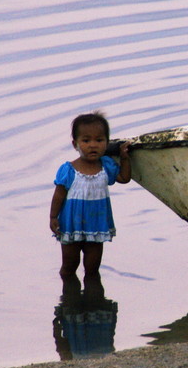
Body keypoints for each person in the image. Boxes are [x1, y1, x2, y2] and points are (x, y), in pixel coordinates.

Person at [49, 112, 131, 309]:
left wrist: (125, 158)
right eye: (86, 140)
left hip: (96, 225)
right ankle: (69, 302)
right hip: (71, 225)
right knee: (69, 267)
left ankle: (94, 302)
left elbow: (124, 178)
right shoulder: (68, 170)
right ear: (75, 144)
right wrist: (53, 217)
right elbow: (59, 195)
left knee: (92, 268)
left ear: (106, 142)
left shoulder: (107, 166)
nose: (93, 145)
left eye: (99, 140)